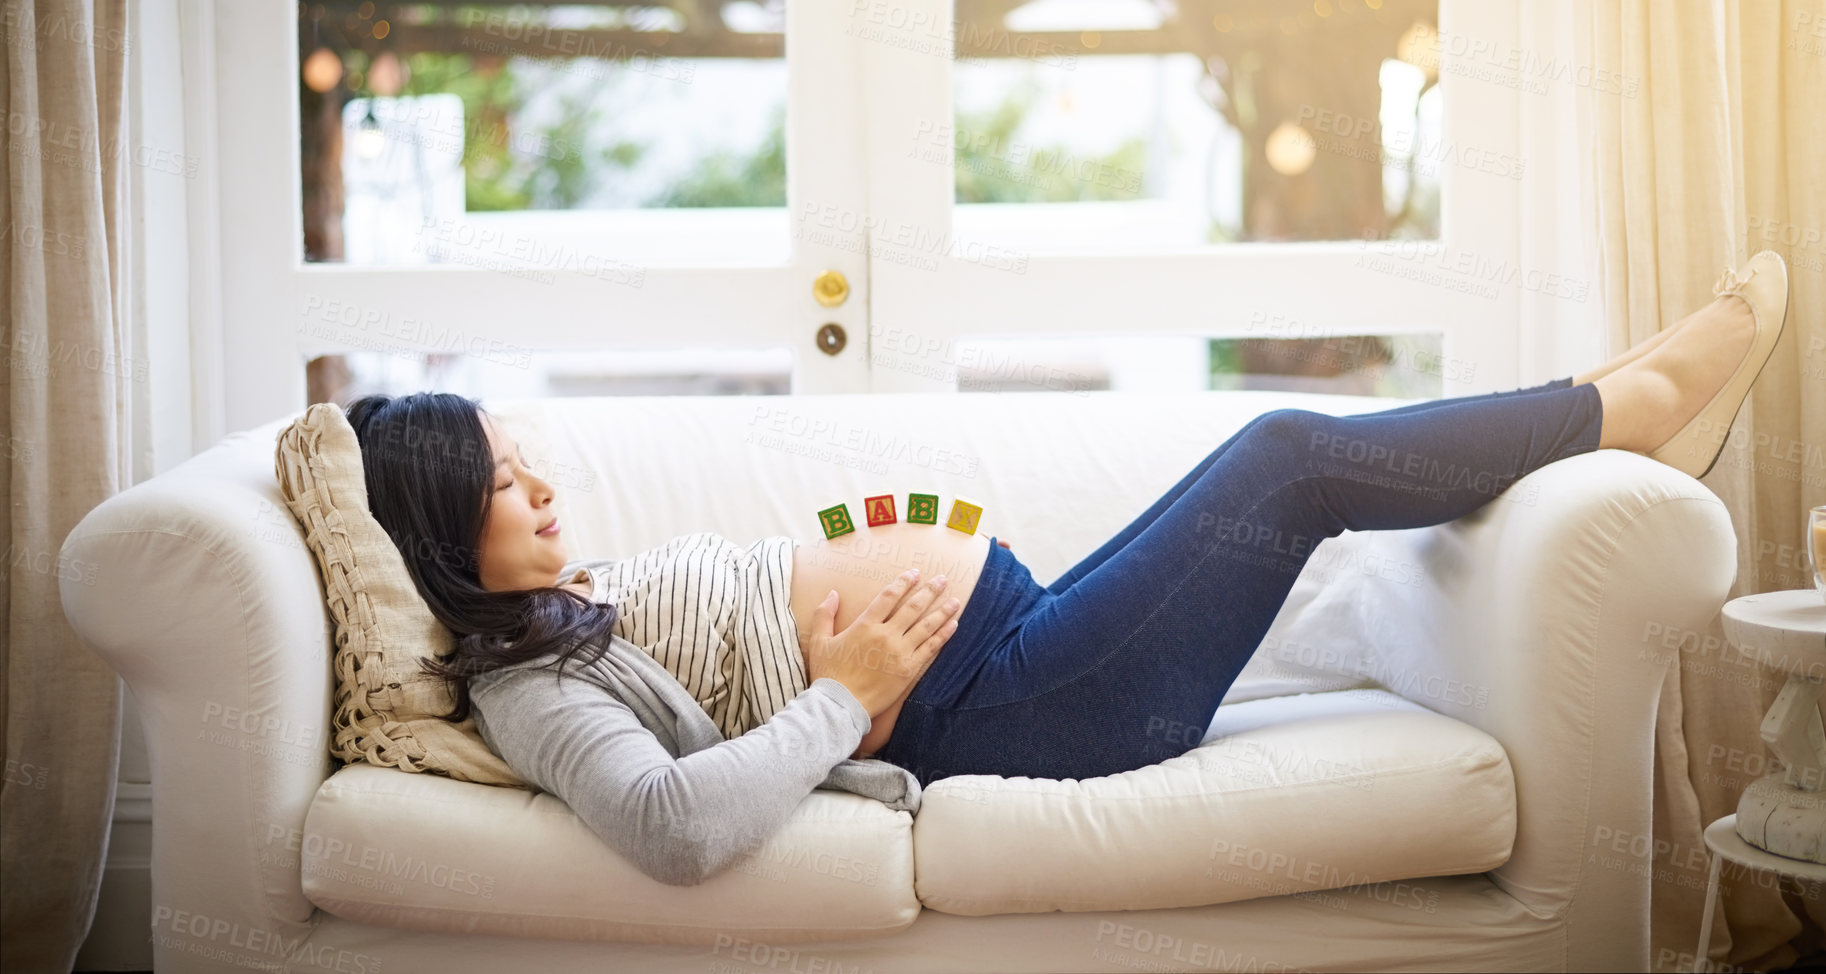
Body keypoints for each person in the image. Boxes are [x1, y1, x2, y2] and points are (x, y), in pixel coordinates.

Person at [345, 250, 1787, 884]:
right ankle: (1633, 411)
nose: (537, 483)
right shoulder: (526, 684)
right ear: (431, 529)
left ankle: (1595, 402)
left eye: (524, 460)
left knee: (1268, 467)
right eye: (498, 480)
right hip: (1014, 713)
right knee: (1282, 458)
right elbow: (670, 825)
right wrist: (843, 693)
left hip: (1011, 641)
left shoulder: (554, 602)